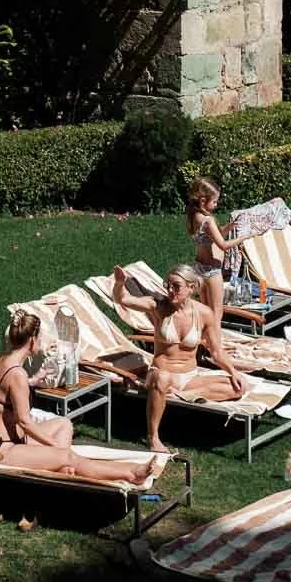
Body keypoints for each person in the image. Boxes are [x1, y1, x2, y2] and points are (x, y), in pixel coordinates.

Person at [0, 312, 152, 484]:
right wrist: (54, 445)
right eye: (39, 338)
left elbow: (6, 391)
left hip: (11, 440)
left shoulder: (2, 361)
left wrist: (33, 381)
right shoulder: (17, 374)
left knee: (63, 424)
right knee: (66, 454)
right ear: (32, 340)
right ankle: (130, 473)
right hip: (2, 449)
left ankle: (60, 467)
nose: (41, 342)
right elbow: (24, 422)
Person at [109, 262, 256, 452]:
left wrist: (233, 371)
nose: (170, 290)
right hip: (160, 373)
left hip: (189, 378)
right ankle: (153, 437)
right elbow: (122, 299)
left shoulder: (204, 314)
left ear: (191, 287)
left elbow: (217, 352)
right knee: (162, 378)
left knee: (238, 386)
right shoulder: (157, 305)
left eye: (176, 286)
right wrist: (120, 283)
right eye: (168, 285)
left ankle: (182, 396)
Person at [185, 177, 245, 316]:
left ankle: (204, 337)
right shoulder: (208, 220)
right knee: (217, 313)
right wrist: (244, 238)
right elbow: (223, 245)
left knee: (204, 312)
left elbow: (213, 235)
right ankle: (215, 337)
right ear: (203, 201)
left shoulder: (195, 216)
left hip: (199, 268)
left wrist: (229, 227)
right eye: (214, 201)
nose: (216, 205)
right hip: (212, 271)